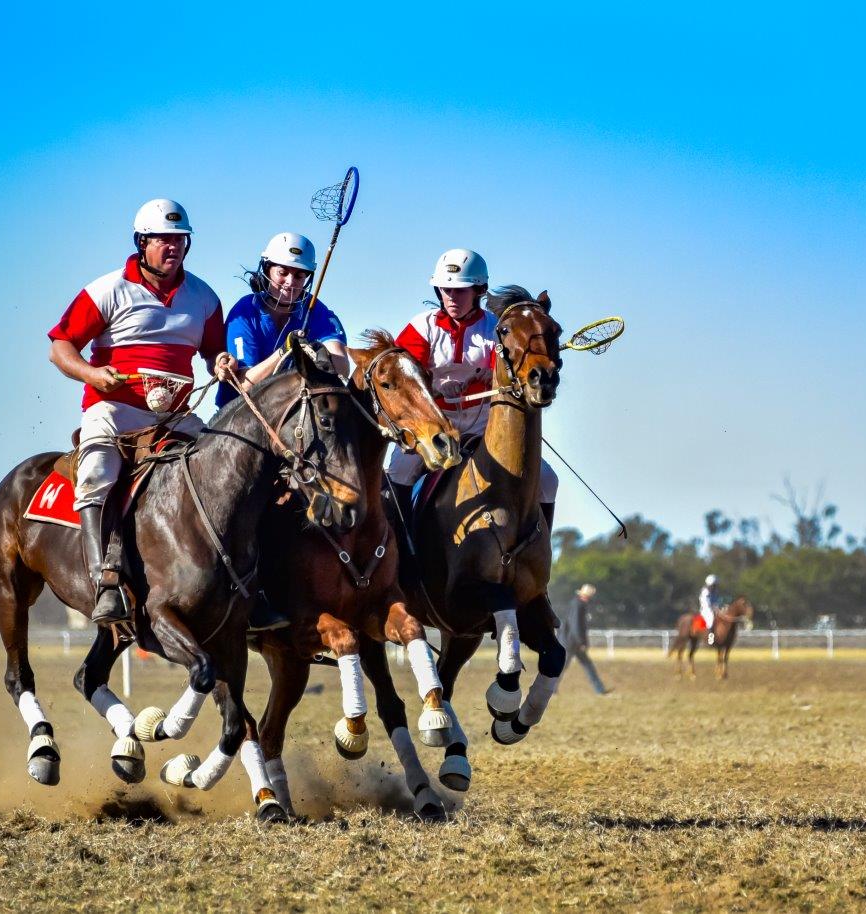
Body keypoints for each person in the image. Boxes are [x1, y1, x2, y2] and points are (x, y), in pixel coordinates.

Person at [48, 198, 228, 626]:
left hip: (176, 417)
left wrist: (220, 362)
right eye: (163, 240)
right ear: (141, 242)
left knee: (225, 468)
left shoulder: (204, 297)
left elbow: (214, 352)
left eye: (180, 240)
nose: (173, 248)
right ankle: (104, 583)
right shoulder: (106, 289)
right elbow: (60, 348)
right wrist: (92, 374)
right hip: (113, 409)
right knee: (96, 474)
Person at [386, 249, 558, 530]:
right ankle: (402, 551)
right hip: (435, 426)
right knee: (399, 471)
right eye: (446, 289)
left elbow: (507, 371)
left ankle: (540, 553)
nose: (452, 298)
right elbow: (405, 377)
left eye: (460, 291)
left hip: (483, 429)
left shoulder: (496, 329)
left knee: (548, 481)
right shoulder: (421, 327)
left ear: (479, 289)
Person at [214, 232, 348, 409]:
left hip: (289, 415)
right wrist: (285, 350)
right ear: (267, 269)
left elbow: (342, 370)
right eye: (282, 273)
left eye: (300, 276)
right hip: (239, 415)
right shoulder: (244, 311)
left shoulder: (317, 310)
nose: (290, 282)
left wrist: (319, 354)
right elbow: (245, 384)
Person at [561, 583, 609, 694]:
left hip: (574, 641)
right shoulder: (578, 605)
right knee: (562, 667)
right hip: (572, 642)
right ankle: (548, 689)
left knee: (588, 666)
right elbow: (576, 625)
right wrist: (581, 642)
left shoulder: (577, 603)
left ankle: (600, 690)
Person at [699, 574, 723, 645]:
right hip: (706, 610)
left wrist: (720, 607)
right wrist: (713, 608)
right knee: (711, 619)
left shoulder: (715, 592)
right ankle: (710, 639)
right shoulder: (705, 591)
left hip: (714, 609)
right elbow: (706, 602)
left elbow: (717, 601)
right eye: (714, 585)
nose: (715, 586)